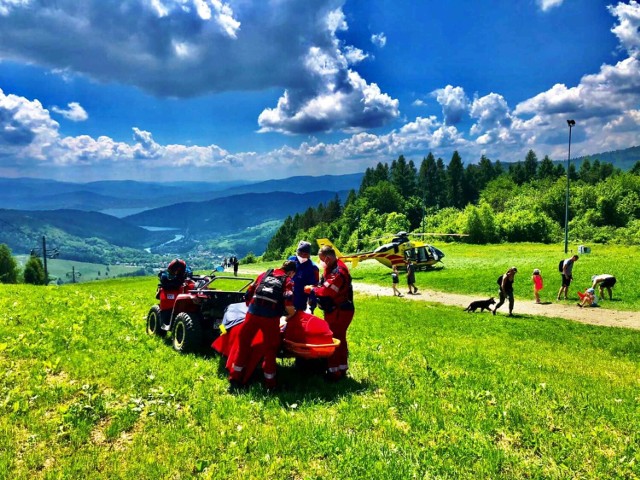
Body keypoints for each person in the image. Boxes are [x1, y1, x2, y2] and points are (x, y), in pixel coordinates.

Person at [229, 260, 297, 390]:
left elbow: (249, 292)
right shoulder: (287, 280)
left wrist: (251, 308)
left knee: (243, 346)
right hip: (270, 318)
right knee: (270, 350)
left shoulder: (264, 274)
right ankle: (270, 384)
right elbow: (288, 302)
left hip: (252, 314)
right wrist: (292, 314)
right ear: (291, 272)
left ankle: (235, 379)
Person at [305, 245, 354, 381]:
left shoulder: (339, 272)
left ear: (328, 257)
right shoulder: (331, 268)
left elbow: (327, 291)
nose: (321, 262)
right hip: (336, 310)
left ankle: (334, 372)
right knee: (340, 339)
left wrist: (311, 290)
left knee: (333, 340)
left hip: (339, 311)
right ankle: (342, 368)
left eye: (322, 259)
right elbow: (323, 284)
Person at [288, 240, 319, 313]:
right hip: (287, 297)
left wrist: (312, 304)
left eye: (305, 254)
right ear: (297, 252)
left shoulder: (312, 268)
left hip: (301, 300)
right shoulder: (291, 260)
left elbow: (314, 287)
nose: (302, 256)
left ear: (309, 255)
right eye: (300, 253)